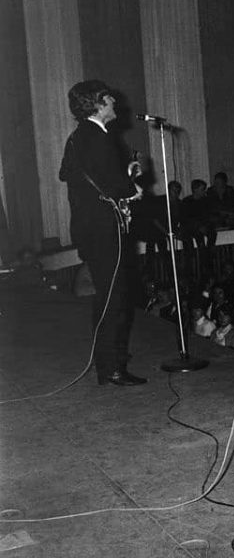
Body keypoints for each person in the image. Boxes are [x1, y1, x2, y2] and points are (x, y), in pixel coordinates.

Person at [58, 80, 146, 386]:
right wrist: (130, 188)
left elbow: (69, 173)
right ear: (97, 103)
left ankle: (108, 359)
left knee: (108, 295)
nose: (114, 102)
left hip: (89, 228)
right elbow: (112, 184)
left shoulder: (79, 136)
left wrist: (121, 176)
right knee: (114, 297)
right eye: (109, 98)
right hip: (103, 228)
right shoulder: (98, 136)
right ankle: (111, 368)